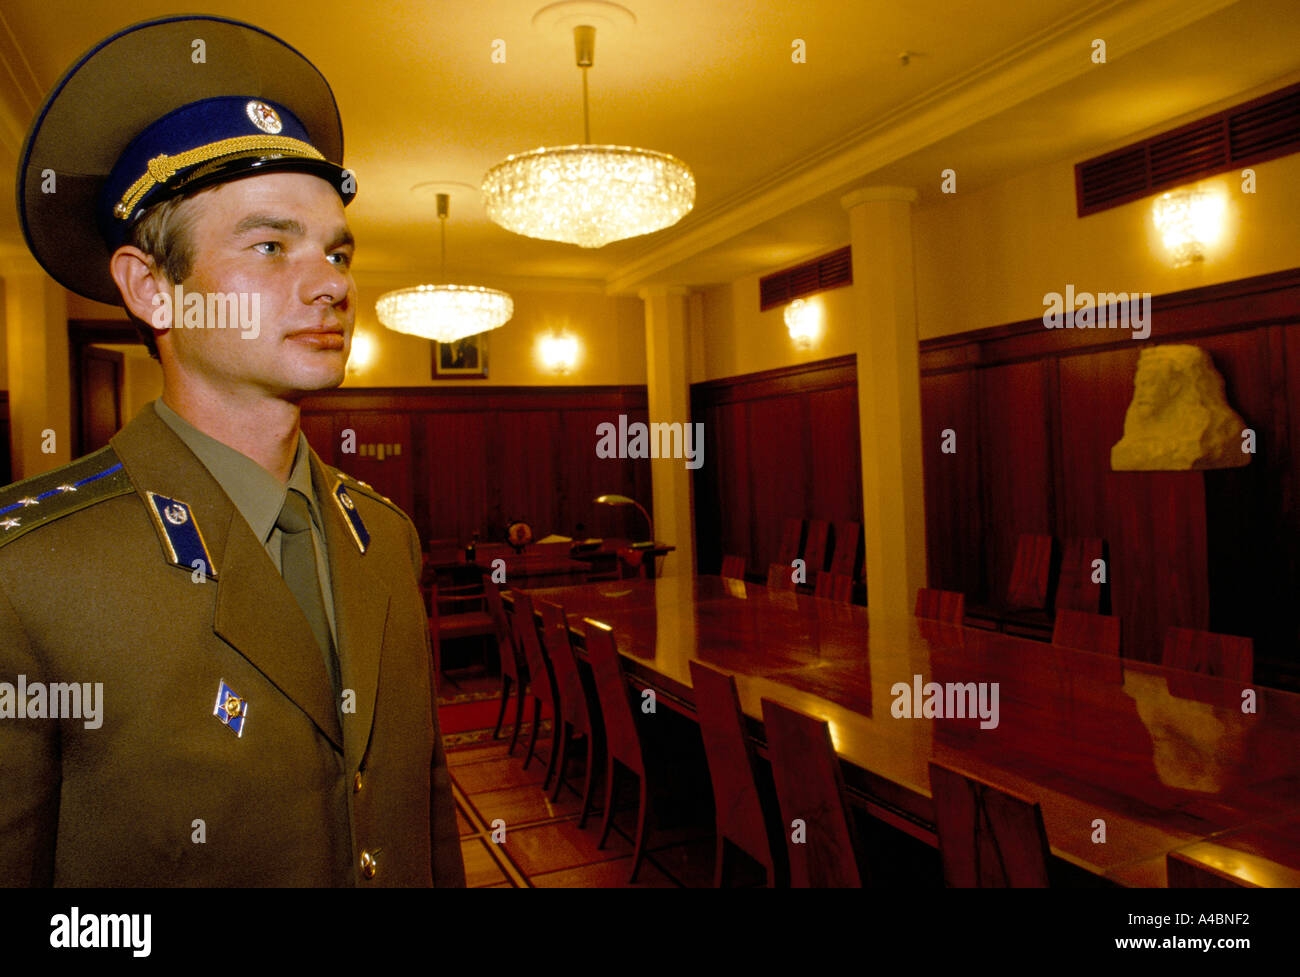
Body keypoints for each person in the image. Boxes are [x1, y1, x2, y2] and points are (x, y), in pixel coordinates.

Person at [0, 15, 465, 887]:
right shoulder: (27, 573)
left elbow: (426, 814)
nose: (333, 281)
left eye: (336, 249)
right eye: (269, 244)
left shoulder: (385, 536)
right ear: (153, 289)